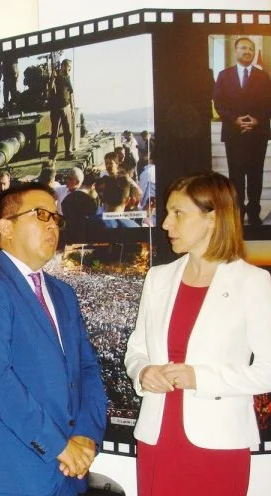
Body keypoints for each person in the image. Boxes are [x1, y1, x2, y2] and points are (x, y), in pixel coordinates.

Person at [0, 182, 107, 495]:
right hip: (16, 472)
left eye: (56, 218)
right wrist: (58, 446)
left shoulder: (63, 293)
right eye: (41, 215)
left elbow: (87, 369)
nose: (53, 225)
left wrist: (87, 434)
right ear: (6, 227)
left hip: (70, 469)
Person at [125, 172, 271, 496]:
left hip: (218, 444)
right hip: (157, 438)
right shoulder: (158, 278)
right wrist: (144, 372)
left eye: (178, 213)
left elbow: (268, 371)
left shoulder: (253, 283)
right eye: (167, 213)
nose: (166, 224)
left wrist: (199, 378)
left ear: (212, 218)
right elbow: (136, 351)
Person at [213, 37, 271, 226]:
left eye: (250, 49)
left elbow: (269, 102)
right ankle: (237, 214)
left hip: (258, 134)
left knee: (255, 175)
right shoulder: (224, 75)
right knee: (236, 176)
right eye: (243, 48)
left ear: (254, 53)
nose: (247, 52)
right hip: (234, 134)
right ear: (236, 51)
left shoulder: (263, 77)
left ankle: (254, 213)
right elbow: (219, 103)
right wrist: (234, 120)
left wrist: (257, 120)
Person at [49, 59, 75, 160]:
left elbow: (71, 93)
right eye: (67, 67)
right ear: (63, 66)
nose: (68, 70)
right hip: (56, 108)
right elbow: (50, 89)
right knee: (54, 132)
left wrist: (72, 108)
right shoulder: (55, 76)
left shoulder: (67, 77)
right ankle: (53, 154)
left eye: (70, 68)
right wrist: (52, 79)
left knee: (68, 132)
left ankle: (68, 152)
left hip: (66, 107)